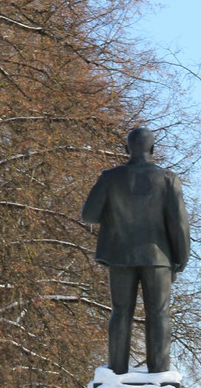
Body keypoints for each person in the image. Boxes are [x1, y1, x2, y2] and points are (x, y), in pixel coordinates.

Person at [81, 127, 190, 374]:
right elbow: (178, 223)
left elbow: (89, 214)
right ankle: (160, 372)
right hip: (158, 257)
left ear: (127, 148)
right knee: (159, 313)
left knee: (120, 312)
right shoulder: (168, 179)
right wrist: (181, 256)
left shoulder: (110, 177)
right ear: (152, 149)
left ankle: (116, 370)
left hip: (120, 255)